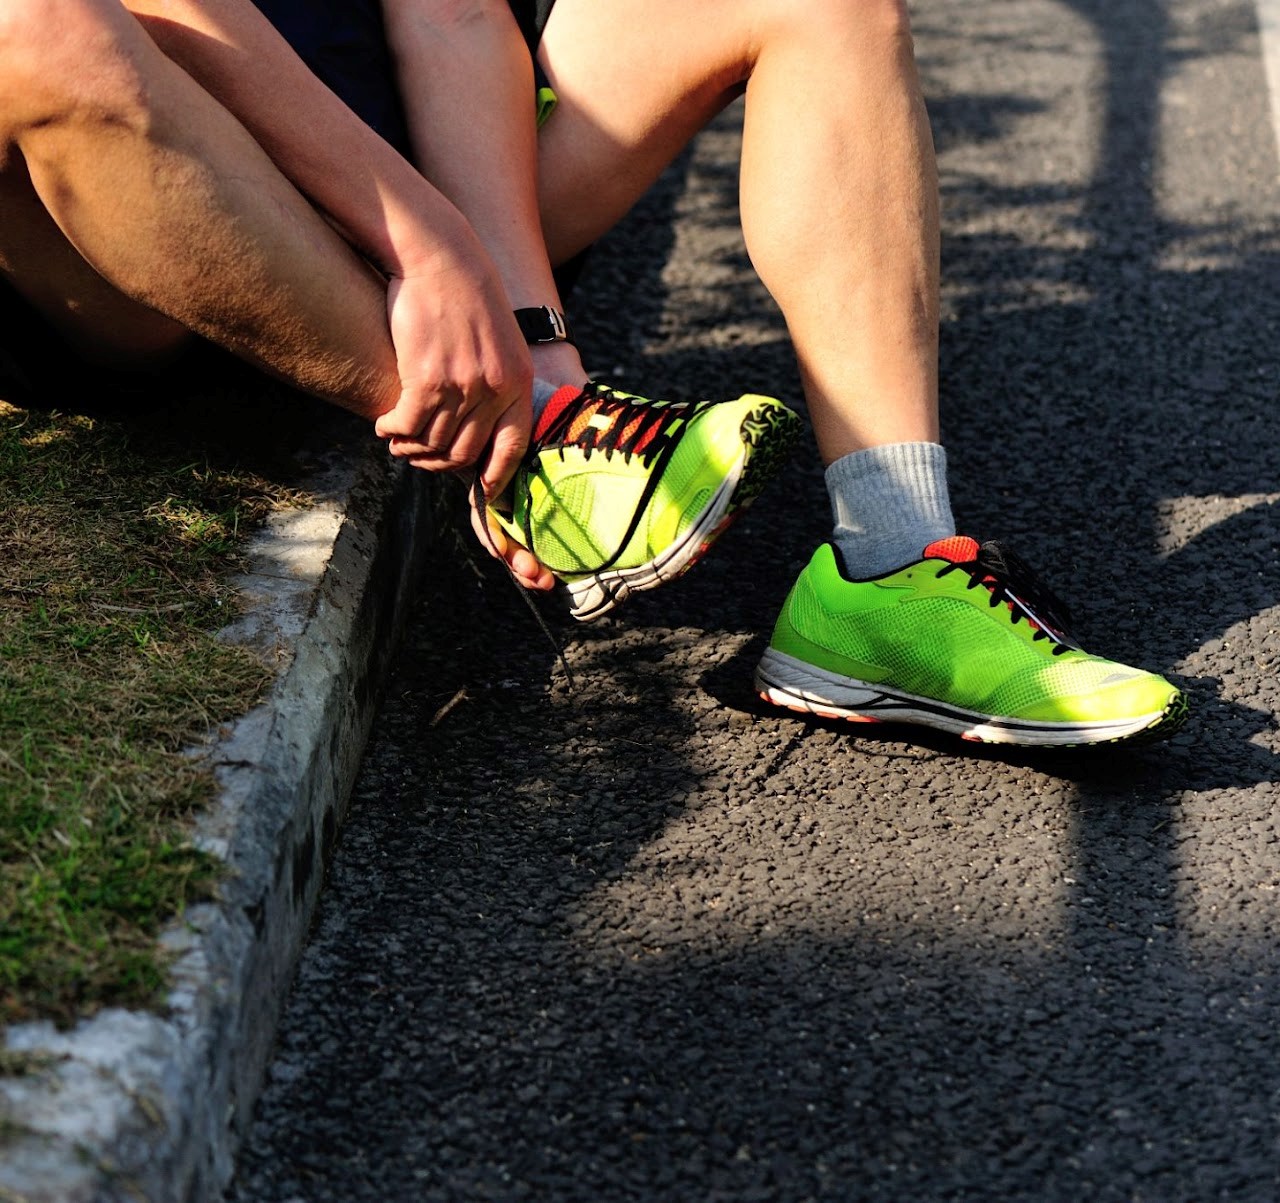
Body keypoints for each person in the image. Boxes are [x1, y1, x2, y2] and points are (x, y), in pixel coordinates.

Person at [0, 0, 1187, 747]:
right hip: (145, 220)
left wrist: (525, 325)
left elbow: (454, 18)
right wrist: (420, 237)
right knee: (39, 27)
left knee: (819, 2)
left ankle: (889, 565)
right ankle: (530, 457)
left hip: (400, 181)